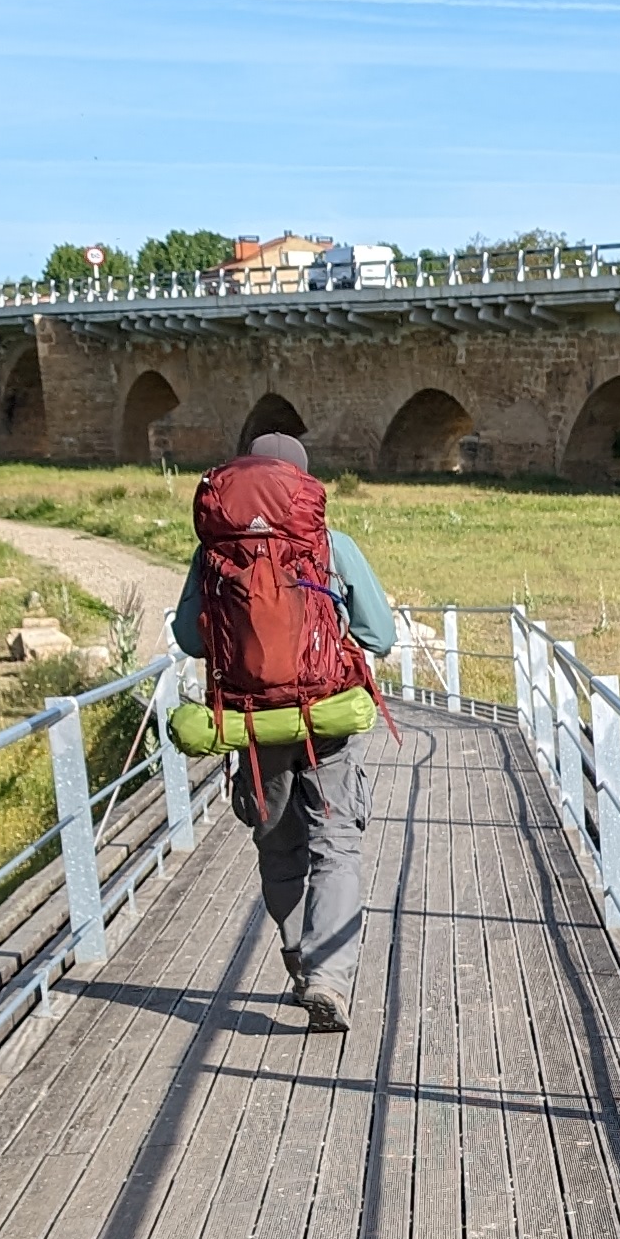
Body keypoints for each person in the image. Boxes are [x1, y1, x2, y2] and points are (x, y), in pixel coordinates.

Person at [174, 432, 398, 1031]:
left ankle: (301, 958)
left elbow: (189, 639)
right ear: (302, 486)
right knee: (337, 846)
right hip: (324, 721)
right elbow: (380, 634)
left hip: (248, 725)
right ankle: (328, 977)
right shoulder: (329, 544)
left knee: (278, 848)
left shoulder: (213, 551)